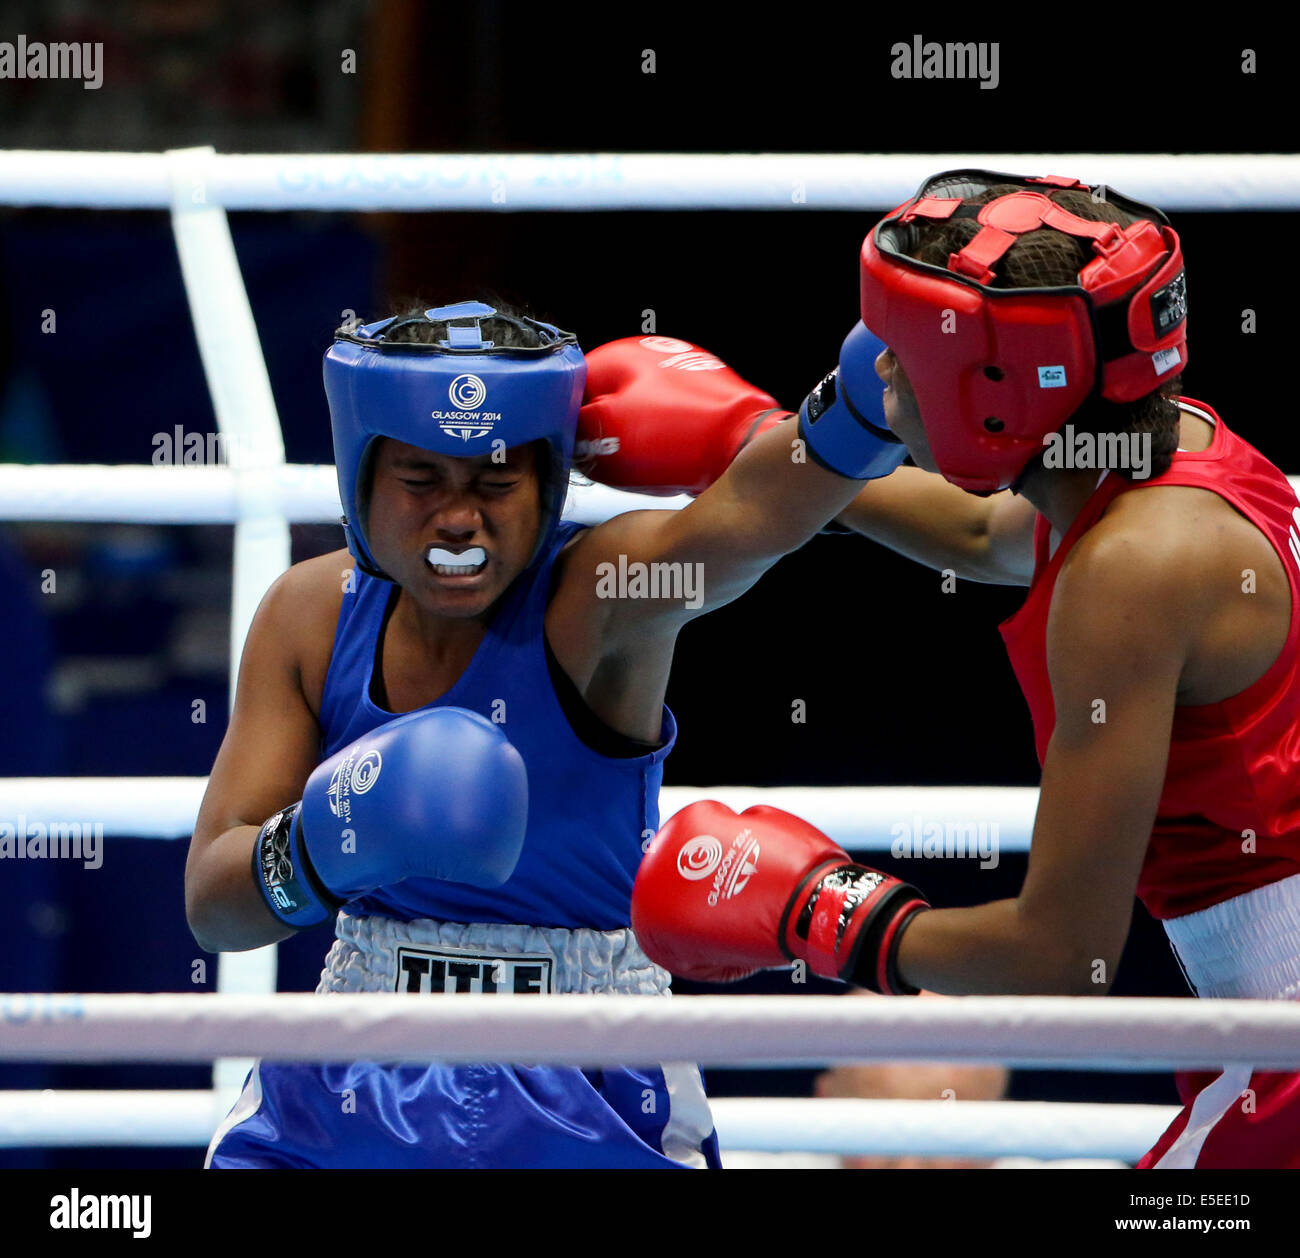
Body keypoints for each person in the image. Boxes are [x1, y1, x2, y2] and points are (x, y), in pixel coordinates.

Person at [630, 172, 1300, 1169]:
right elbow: (989, 529)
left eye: (906, 352)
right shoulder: (1169, 446)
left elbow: (1060, 959)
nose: (878, 373)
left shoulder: (1135, 569)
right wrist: (769, 442)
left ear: (1001, 387)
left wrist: (824, 914)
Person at [185, 299, 905, 1168]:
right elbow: (213, 910)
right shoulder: (310, 612)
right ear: (362, 480)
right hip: (351, 1061)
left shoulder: (598, 592)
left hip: (582, 1062)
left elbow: (747, 523)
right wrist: (318, 845)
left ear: (547, 486)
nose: (459, 518)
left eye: (495, 483)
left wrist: (861, 408)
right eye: (422, 481)